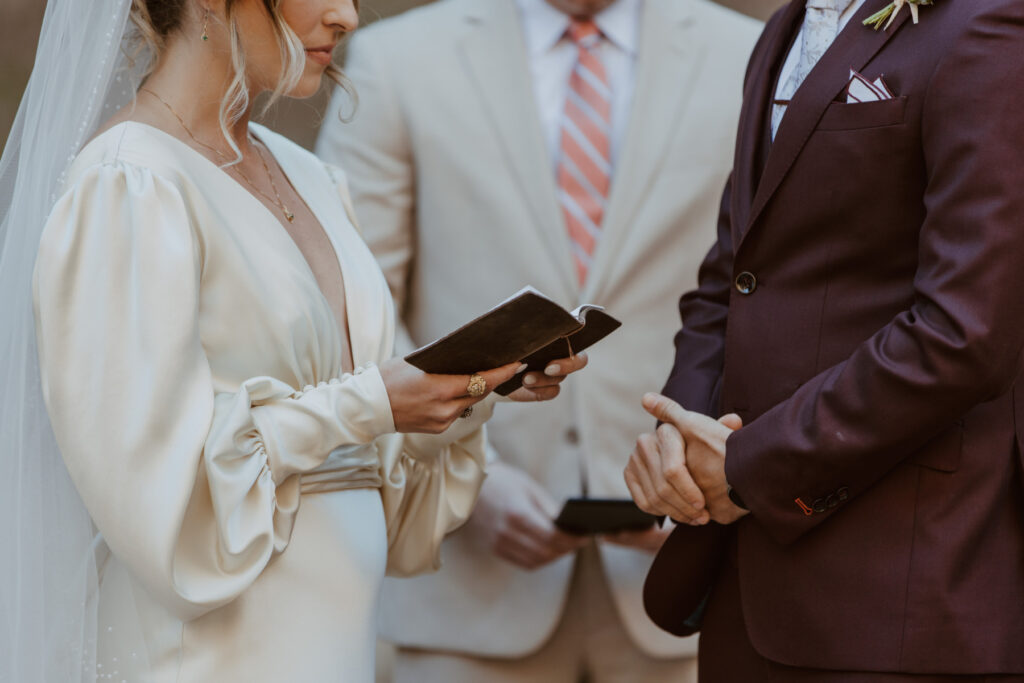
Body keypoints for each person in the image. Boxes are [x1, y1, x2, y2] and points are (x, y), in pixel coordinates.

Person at [0, 0, 588, 680]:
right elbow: (164, 501)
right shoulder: (128, 185)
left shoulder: (309, 176)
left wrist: (471, 386)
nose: (348, 16)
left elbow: (383, 491)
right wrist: (369, 402)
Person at [316, 0, 760, 679]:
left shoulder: (750, 54)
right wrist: (470, 476)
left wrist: (712, 470)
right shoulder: (396, 61)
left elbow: (782, 293)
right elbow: (349, 303)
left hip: (690, 594)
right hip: (465, 590)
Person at [625, 0, 1024, 680]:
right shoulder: (781, 31)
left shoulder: (985, 27)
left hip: (900, 591)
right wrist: (678, 437)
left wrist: (757, 467)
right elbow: (738, 272)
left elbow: (964, 331)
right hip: (745, 587)